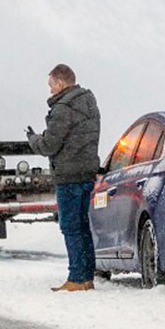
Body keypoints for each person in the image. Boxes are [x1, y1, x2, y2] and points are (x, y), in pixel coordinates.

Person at [27, 64, 101, 292]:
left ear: (60, 83)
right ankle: (87, 278)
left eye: (51, 85)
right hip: (87, 173)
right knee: (83, 227)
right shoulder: (89, 102)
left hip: (69, 177)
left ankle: (76, 279)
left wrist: (33, 139)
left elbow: (50, 145)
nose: (50, 90)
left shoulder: (62, 108)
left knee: (70, 227)